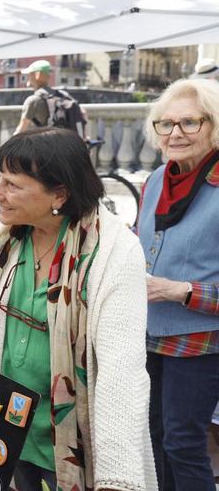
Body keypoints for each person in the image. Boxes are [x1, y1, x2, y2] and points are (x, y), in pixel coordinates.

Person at [0, 128, 156, 491]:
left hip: (71, 448)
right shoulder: (5, 235)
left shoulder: (116, 251)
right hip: (1, 434)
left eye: (12, 184)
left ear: (60, 194)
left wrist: (117, 478)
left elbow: (121, 372)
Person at [140, 78, 219, 491]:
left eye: (190, 122)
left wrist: (180, 290)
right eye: (166, 124)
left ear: (214, 124)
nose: (175, 133)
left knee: (184, 443)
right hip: (148, 334)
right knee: (151, 438)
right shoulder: (155, 181)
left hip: (199, 342)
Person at [14, 60, 54, 135]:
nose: (28, 77)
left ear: (37, 75)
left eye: (30, 74)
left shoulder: (33, 100)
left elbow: (21, 130)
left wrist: (8, 146)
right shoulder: (62, 96)